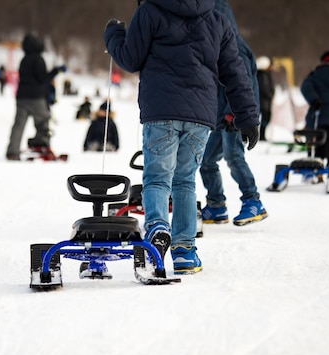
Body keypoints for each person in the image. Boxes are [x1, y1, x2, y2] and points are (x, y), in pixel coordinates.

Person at [104, 0, 260, 274]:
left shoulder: (150, 10)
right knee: (185, 181)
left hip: (161, 109)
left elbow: (130, 58)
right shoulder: (217, 18)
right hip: (200, 115)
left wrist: (114, 34)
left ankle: (157, 229)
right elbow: (235, 72)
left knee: (157, 178)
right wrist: (247, 117)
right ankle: (185, 251)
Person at [199, 0, 268, 227]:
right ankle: (216, 205)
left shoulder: (235, 46)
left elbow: (242, 84)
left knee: (234, 157)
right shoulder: (215, 45)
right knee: (207, 161)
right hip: (222, 118)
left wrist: (233, 113)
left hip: (235, 117)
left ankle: (252, 200)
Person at [5, 34, 66, 161]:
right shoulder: (38, 59)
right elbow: (43, 79)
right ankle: (41, 144)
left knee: (19, 124)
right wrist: (56, 71)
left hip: (21, 97)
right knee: (43, 120)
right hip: (36, 97)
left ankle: (12, 151)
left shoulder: (24, 59)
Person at [256, 55, 275, 142]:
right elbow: (264, 88)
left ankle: (262, 135)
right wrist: (270, 94)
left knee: (264, 118)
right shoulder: (262, 75)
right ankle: (261, 136)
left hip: (263, 101)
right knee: (264, 118)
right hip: (263, 102)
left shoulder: (263, 75)